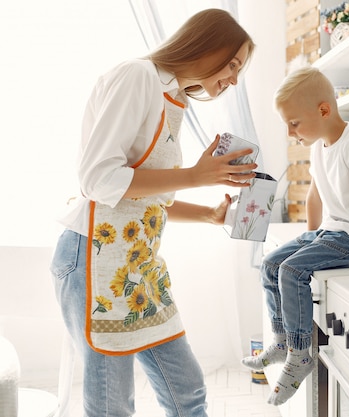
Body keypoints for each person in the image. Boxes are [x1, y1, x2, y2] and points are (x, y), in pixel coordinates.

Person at [49, 9, 257, 417]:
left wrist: (209, 214)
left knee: (188, 393)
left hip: (138, 268)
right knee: (112, 407)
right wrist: (196, 175)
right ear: (207, 42)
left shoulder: (175, 99)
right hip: (93, 262)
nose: (234, 79)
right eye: (233, 64)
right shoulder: (138, 76)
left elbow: (147, 201)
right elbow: (97, 179)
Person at [241, 66, 349, 405]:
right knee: (270, 264)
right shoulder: (320, 146)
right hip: (331, 233)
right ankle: (282, 342)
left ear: (324, 110)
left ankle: (300, 353)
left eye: (294, 123)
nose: (291, 132)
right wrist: (308, 240)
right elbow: (315, 194)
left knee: (292, 272)